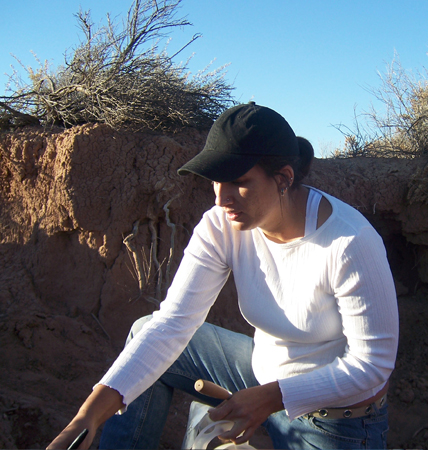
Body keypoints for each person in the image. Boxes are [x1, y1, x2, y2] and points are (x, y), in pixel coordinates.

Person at [48, 102, 399, 449]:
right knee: (146, 332)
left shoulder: (350, 242)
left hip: (333, 419)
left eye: (238, 182)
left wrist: (270, 399)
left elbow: (371, 365)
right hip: (258, 376)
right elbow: (172, 324)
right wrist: (88, 418)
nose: (222, 199)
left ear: (284, 179)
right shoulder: (223, 226)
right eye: (216, 182)